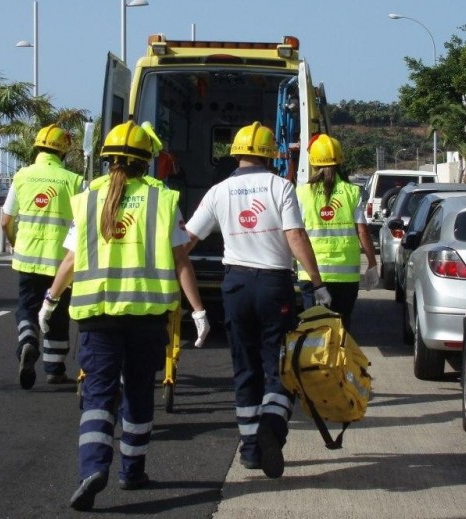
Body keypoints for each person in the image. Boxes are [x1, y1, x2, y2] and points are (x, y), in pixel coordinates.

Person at [37, 120, 210, 512]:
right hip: (147, 317)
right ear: (146, 162)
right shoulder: (163, 199)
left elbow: (71, 259)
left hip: (97, 317)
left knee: (98, 394)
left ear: (107, 159)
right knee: (137, 393)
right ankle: (131, 472)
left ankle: (92, 469)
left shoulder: (87, 199)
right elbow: (182, 261)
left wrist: (50, 299)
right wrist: (198, 311)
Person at [183, 121, 330, 479]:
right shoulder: (280, 186)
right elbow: (294, 235)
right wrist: (317, 281)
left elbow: (186, 239)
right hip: (273, 286)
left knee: (245, 367)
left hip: (235, 286)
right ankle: (272, 427)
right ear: (271, 155)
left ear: (235, 153)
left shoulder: (218, 191)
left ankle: (250, 449)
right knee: (278, 365)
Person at [1, 124, 83, 389]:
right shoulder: (73, 181)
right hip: (60, 263)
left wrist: (15, 243)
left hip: (27, 258)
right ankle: (55, 370)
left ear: (36, 148)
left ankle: (27, 341)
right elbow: (84, 222)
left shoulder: (21, 176)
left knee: (27, 307)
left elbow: (5, 221)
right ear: (63, 153)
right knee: (57, 314)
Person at [296, 134, 379, 331]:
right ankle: (339, 361)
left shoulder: (301, 193)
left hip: (312, 274)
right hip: (345, 278)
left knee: (313, 330)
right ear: (340, 160)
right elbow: (362, 231)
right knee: (341, 330)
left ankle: (316, 362)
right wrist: (372, 264)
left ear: (313, 162)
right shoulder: (352, 192)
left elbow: (295, 233)